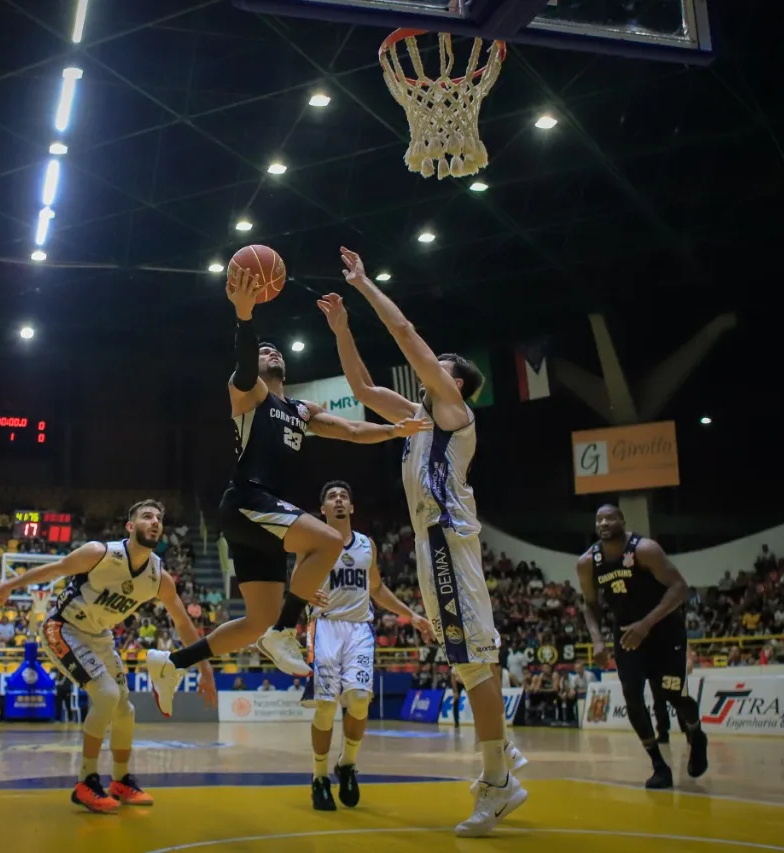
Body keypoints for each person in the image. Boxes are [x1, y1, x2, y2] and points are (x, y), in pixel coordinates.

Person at [317, 248, 527, 837]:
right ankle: (504, 761)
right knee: (469, 667)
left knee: (474, 665)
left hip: (446, 541)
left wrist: (363, 286)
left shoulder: (455, 412)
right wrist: (342, 328)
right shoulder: (415, 418)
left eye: (441, 366)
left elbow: (408, 335)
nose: (430, 368)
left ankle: (498, 783)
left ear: (453, 381)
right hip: (431, 547)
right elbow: (360, 384)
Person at [143, 269, 431, 697]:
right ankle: (285, 630)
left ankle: (171, 663)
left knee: (255, 621)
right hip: (246, 499)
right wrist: (245, 316)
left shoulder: (300, 409)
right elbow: (243, 363)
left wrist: (394, 431)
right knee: (331, 541)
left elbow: (351, 431)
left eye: (274, 350)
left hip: (263, 519)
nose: (270, 352)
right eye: (264, 350)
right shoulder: (248, 393)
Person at [0, 499, 217, 814]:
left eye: (159, 518)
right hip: (63, 628)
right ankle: (86, 780)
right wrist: (10, 585)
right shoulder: (99, 553)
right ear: (130, 526)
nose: (155, 522)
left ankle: (122, 779)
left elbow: (183, 624)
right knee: (107, 694)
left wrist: (205, 671)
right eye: (146, 516)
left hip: (99, 637)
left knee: (125, 709)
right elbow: (56, 569)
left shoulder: (159, 578)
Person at [304, 480, 434, 811]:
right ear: (323, 509)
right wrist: (305, 594)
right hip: (327, 626)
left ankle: (346, 765)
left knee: (360, 701)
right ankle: (319, 777)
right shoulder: (312, 542)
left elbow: (376, 589)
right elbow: (297, 583)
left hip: (359, 628)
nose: (338, 500)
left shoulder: (366, 545)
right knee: (325, 707)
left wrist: (411, 615)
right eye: (331, 497)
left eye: (344, 496)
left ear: (351, 508)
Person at [577, 504, 708, 789]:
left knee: (674, 694)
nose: (603, 522)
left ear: (622, 521)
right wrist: (597, 640)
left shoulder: (645, 549)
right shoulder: (588, 562)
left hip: (665, 632)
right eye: (598, 519)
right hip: (626, 636)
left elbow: (679, 588)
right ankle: (659, 766)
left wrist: (646, 624)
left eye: (610, 517)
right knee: (632, 698)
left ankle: (696, 735)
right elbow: (589, 605)